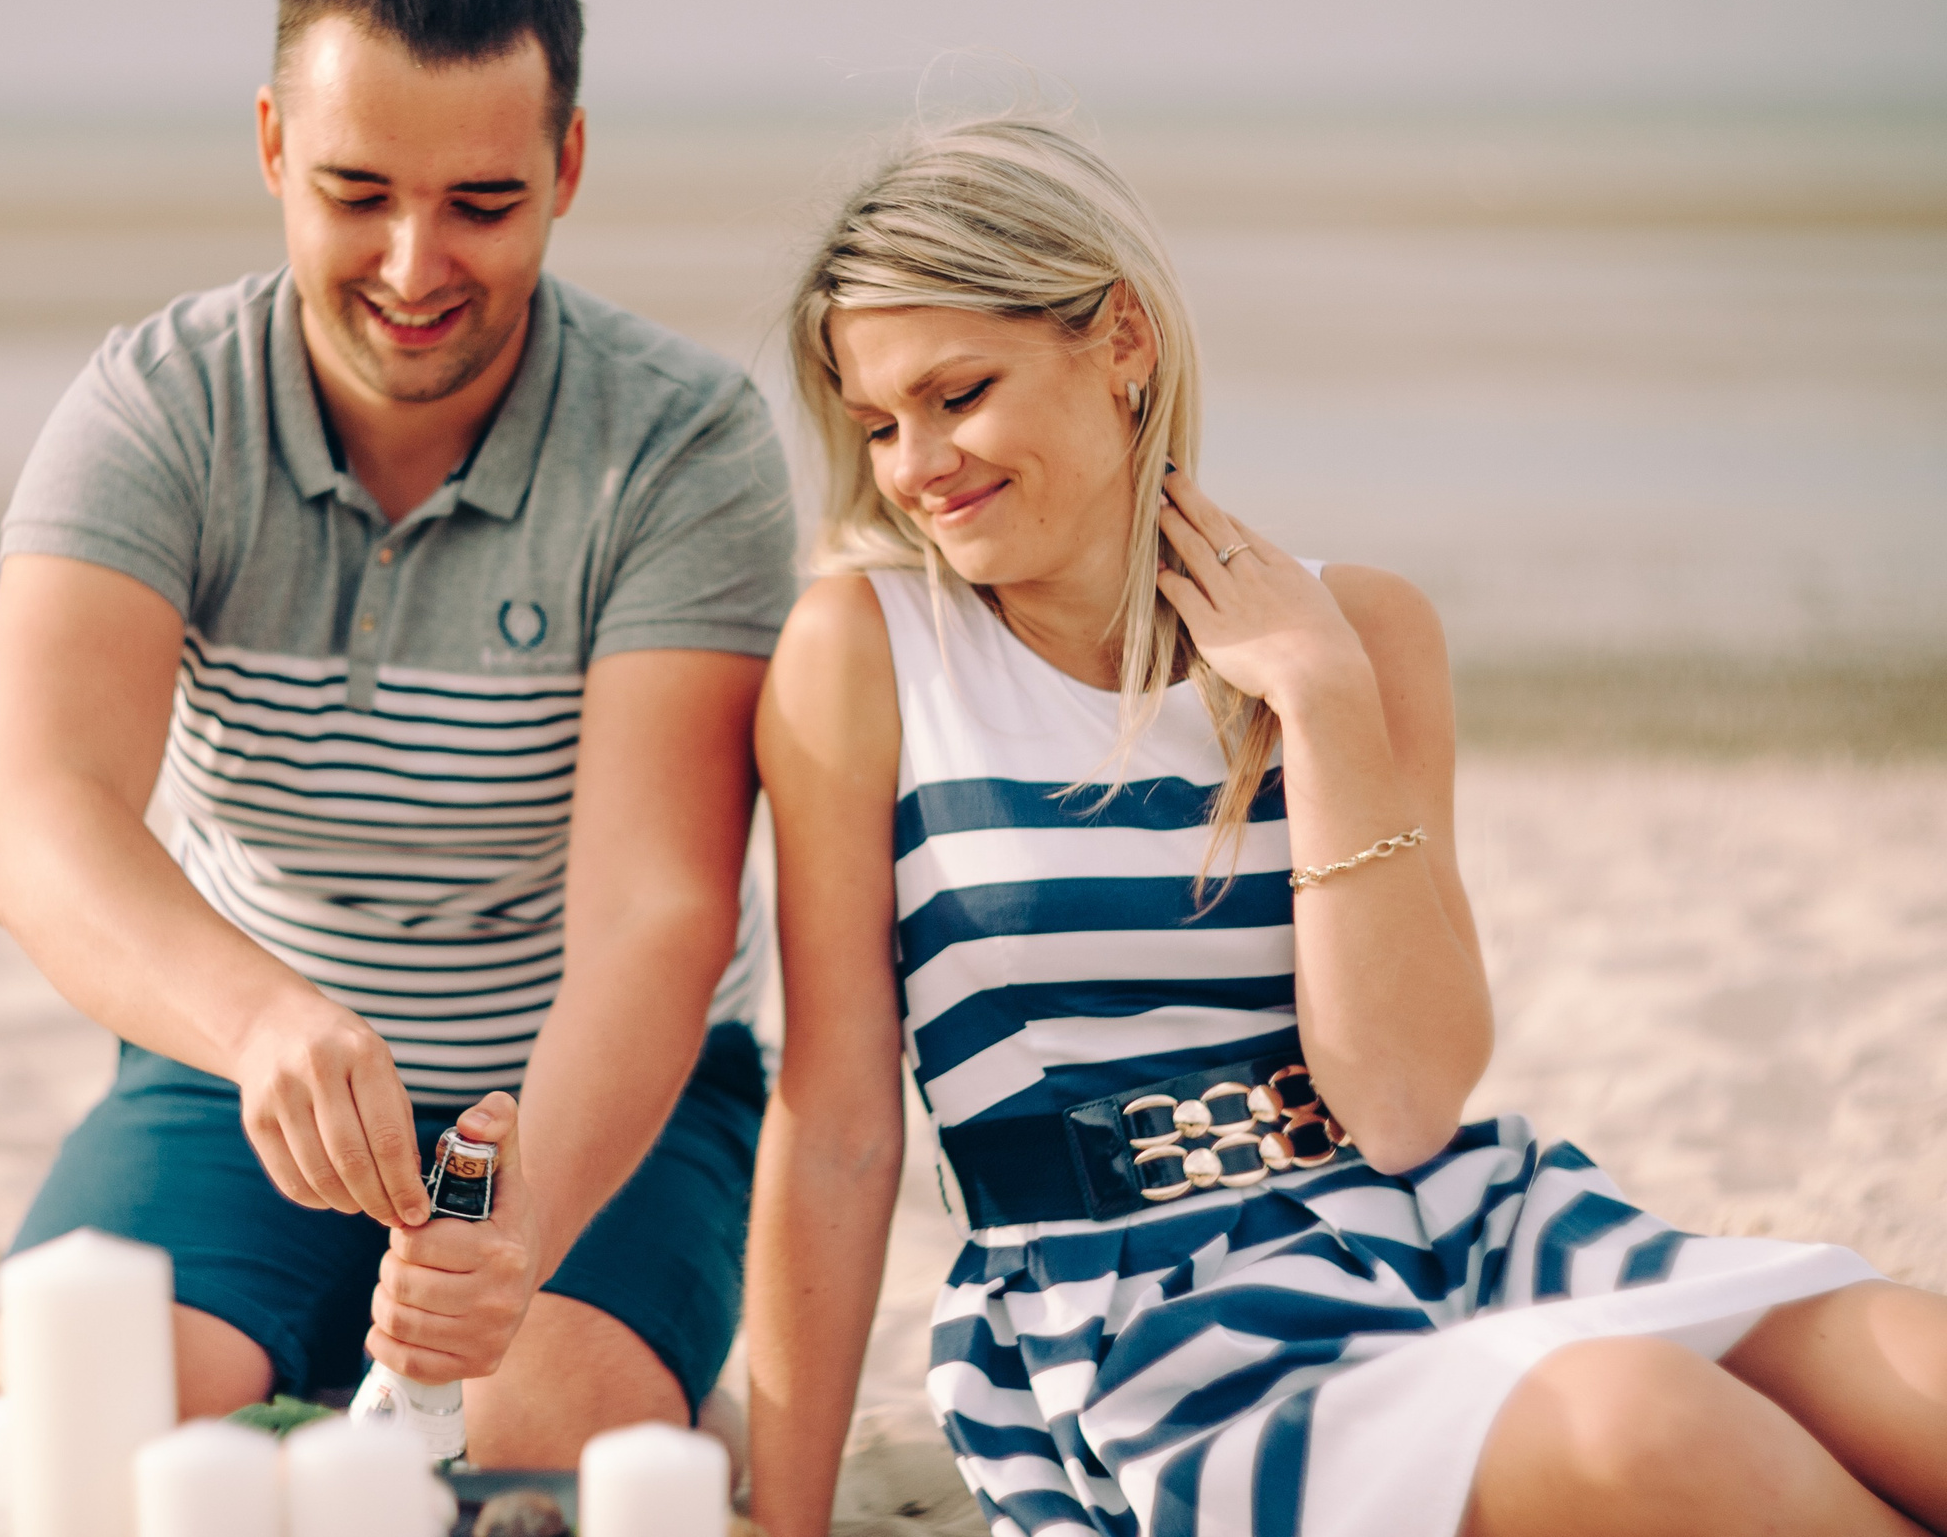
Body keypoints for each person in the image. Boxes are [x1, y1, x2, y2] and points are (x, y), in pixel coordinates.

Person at [742, 114, 1947, 1537]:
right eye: (879, 423)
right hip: (1167, 1323)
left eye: (960, 392)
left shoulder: (1363, 627)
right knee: (1646, 1427)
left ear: (1120, 338)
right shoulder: (867, 651)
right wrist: (784, 1515)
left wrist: (1315, 698)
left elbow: (1403, 1099)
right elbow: (835, 1130)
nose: (917, 463)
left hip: (1474, 1230)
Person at [0, 0, 794, 1466]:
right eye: (360, 193)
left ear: (566, 166)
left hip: (595, 1093)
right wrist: (266, 1021)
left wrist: (524, 1216)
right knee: (82, 1416)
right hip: (241, 1073)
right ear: (275, 146)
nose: (416, 267)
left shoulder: (684, 445)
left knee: (529, 1441)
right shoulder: (155, 411)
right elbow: (41, 822)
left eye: (483, 203)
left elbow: (656, 912)